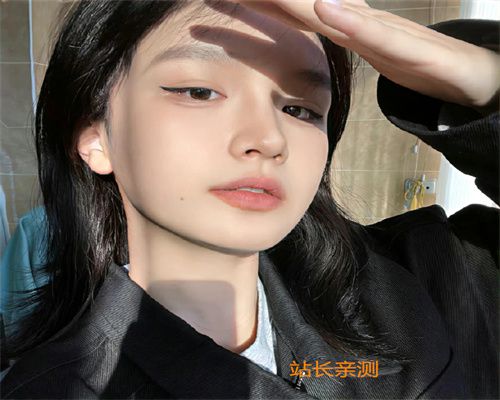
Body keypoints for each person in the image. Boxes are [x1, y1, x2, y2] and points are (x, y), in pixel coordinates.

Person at [0, 0, 498, 398]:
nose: (268, 138)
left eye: (300, 110)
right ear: (95, 137)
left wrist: (487, 84)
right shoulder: (59, 387)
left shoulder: (425, 276)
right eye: (198, 91)